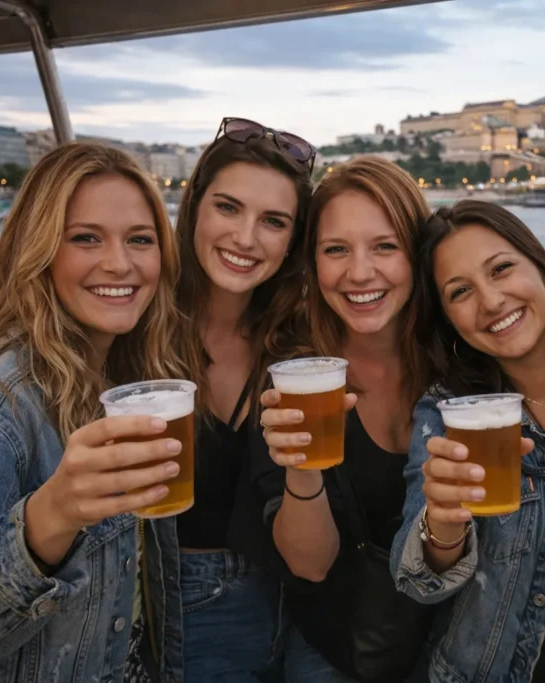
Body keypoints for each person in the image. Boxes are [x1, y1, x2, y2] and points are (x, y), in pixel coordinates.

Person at [0, 143, 185, 682]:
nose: (120, 262)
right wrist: (51, 516)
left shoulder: (120, 378)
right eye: (85, 238)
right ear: (36, 250)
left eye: (140, 239)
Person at [391, 200, 545, 682]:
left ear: (540, 266)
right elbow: (417, 581)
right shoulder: (451, 415)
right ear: (448, 319)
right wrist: (443, 523)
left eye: (501, 268)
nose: (492, 301)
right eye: (460, 292)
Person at [251, 156, 435, 682]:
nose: (359, 272)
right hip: (342, 654)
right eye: (336, 250)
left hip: (463, 640)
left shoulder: (463, 363)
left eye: (385, 246)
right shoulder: (292, 382)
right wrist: (300, 467)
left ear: (417, 255)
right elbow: (310, 565)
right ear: (312, 263)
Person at [171, 117, 315, 682]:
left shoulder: (300, 345)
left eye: (273, 222)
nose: (246, 238)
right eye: (228, 208)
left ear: (293, 241)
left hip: (297, 617)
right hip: (179, 622)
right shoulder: (136, 329)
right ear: (195, 208)